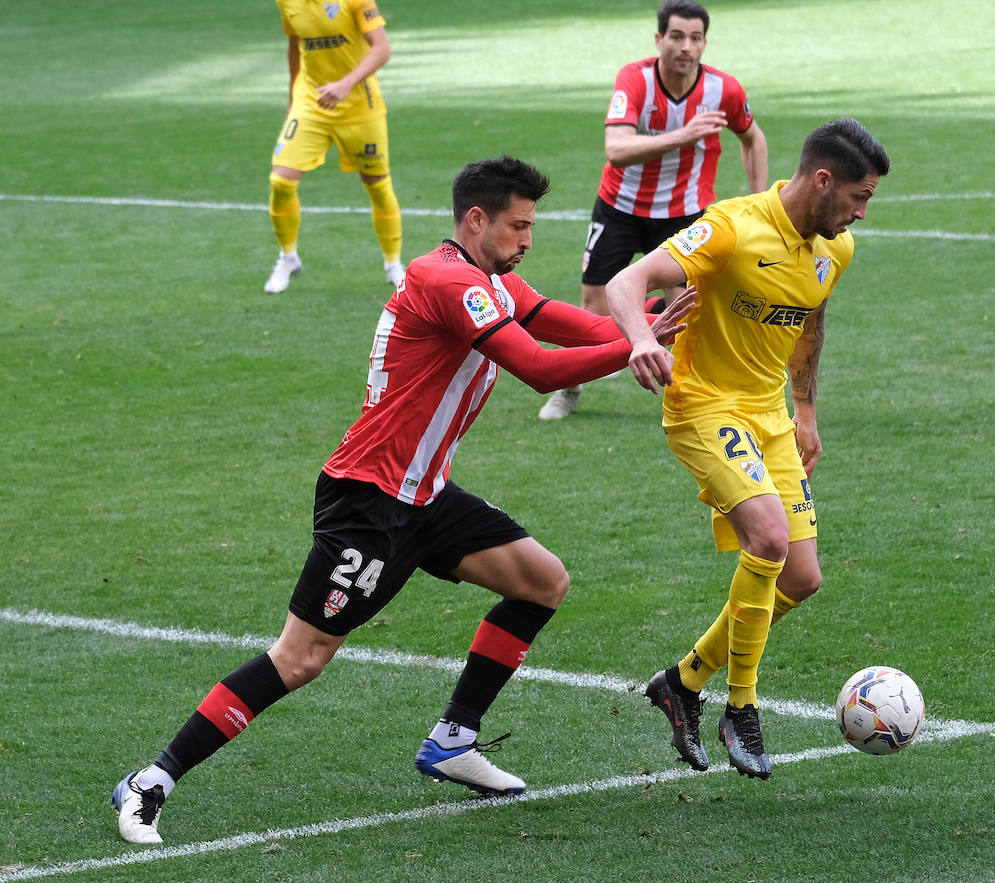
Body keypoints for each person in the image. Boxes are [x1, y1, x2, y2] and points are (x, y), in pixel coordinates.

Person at [112, 157, 694, 844]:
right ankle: (152, 780)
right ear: (476, 220)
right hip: (368, 501)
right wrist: (639, 346)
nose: (527, 239)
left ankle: (453, 739)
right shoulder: (447, 279)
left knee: (542, 582)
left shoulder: (492, 279)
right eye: (518, 225)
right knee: (300, 658)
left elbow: (566, 324)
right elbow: (538, 368)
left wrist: (650, 321)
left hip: (425, 496)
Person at [605, 119, 890, 779]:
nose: (861, 211)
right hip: (704, 404)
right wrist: (640, 338)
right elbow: (629, 280)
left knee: (801, 576)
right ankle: (741, 704)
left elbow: (809, 320)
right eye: (858, 196)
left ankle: (684, 679)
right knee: (768, 538)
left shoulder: (835, 249)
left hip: (771, 416)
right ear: (823, 180)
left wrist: (808, 412)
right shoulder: (732, 228)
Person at [538, 0, 768, 421]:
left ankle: (695, 402)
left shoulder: (724, 90)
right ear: (659, 39)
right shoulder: (636, 80)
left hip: (684, 215)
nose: (686, 47)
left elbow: (753, 138)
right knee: (594, 307)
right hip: (620, 207)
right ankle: (568, 389)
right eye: (677, 36)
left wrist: (758, 204)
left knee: (689, 310)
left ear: (704, 43)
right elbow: (617, 149)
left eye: (695, 38)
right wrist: (684, 135)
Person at [264, 0, 406, 294]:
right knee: (281, 180)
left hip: (358, 106)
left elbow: (382, 49)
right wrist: (293, 95)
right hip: (311, 104)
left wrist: (345, 84)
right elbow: (295, 44)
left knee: (377, 185)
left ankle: (393, 265)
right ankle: (288, 258)